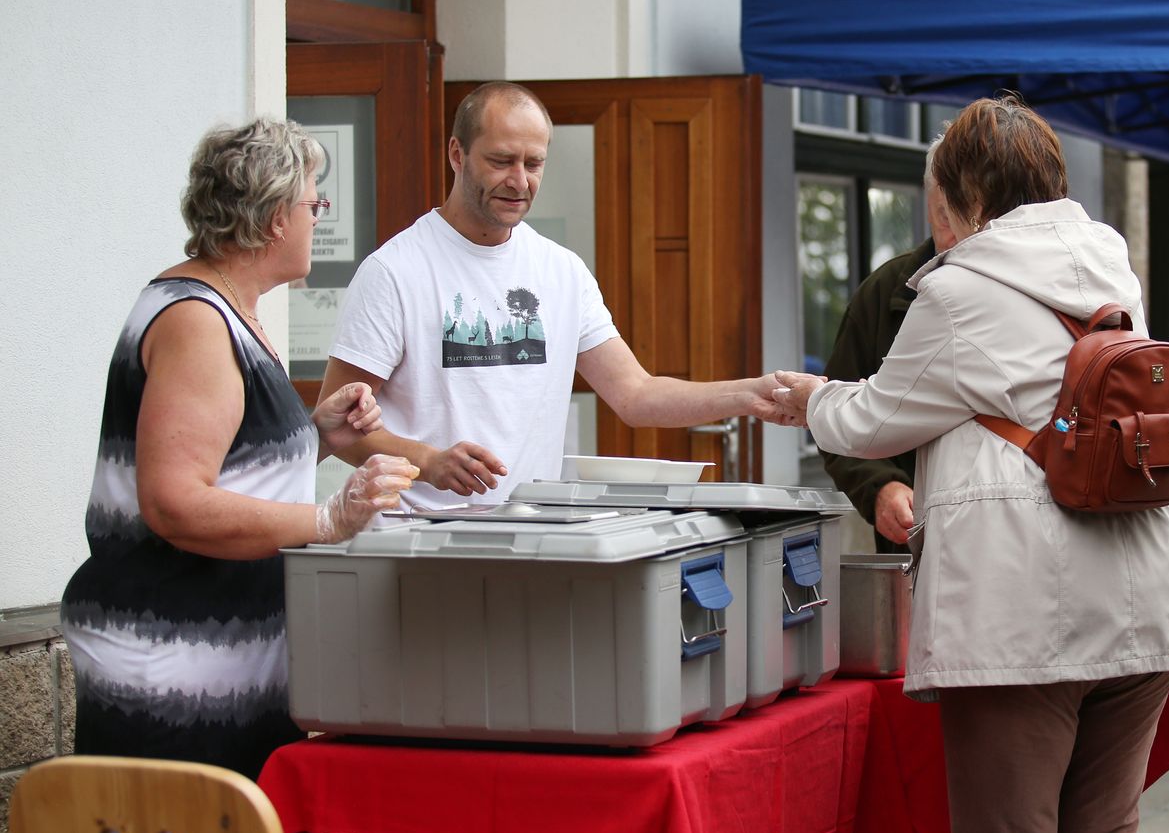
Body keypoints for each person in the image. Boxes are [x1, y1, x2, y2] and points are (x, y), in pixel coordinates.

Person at [776, 96, 1169, 833]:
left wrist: (810, 398)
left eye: (937, 201)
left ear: (963, 196)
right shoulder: (1109, 272)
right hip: (1148, 599)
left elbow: (871, 423)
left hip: (1025, 617)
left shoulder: (961, 290)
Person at [62, 118, 417, 780]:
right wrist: (327, 521)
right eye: (314, 203)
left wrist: (316, 438)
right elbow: (173, 504)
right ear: (274, 216)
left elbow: (225, 465)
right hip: (173, 679)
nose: (318, 218)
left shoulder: (226, 308)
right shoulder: (198, 322)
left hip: (217, 668)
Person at [318, 82, 808, 509]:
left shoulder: (562, 270)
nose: (520, 180)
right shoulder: (394, 271)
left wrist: (749, 394)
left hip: (535, 532)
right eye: (501, 160)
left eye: (534, 163)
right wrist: (429, 461)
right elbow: (339, 429)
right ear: (456, 154)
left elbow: (635, 395)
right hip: (416, 537)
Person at [819, 137, 959, 549]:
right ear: (927, 202)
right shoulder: (884, 291)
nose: (953, 237)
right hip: (912, 544)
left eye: (965, 219)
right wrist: (880, 487)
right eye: (942, 217)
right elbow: (837, 418)